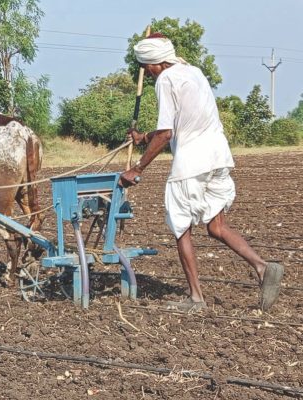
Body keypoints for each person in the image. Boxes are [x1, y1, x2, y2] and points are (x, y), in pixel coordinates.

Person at [120, 33, 284, 312]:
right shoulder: (193, 72)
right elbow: (182, 123)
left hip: (192, 162)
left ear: (154, 63)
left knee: (181, 226)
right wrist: (143, 137)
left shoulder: (165, 80)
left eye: (147, 67)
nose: (147, 72)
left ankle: (196, 298)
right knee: (216, 226)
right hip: (218, 156)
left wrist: (137, 168)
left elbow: (167, 133)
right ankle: (262, 267)